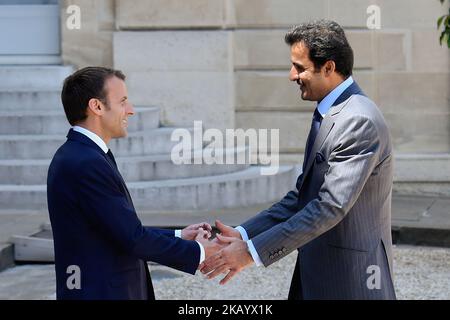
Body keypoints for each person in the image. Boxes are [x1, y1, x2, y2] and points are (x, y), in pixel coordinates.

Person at [200, 20, 396, 300]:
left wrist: (250, 253)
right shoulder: (332, 112)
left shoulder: (358, 121)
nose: (292, 75)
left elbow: (329, 206)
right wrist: (245, 234)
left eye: (300, 67)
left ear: (328, 68)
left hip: (350, 282)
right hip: (319, 274)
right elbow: (302, 196)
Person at [47, 67, 220, 300]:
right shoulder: (85, 162)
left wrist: (179, 235)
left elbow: (118, 228)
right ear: (96, 106)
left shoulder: (83, 155)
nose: (131, 110)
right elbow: (131, 238)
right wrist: (199, 251)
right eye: (123, 102)